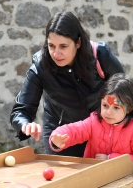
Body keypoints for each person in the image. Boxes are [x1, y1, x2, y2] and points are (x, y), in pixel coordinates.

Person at [10, 11, 124, 157]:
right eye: (51, 46)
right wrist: (25, 125)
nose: (56, 53)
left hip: (100, 133)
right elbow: (21, 110)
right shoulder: (40, 65)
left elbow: (126, 94)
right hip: (61, 135)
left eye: (63, 46)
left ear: (78, 43)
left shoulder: (100, 55)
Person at [49, 73, 133, 180]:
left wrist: (110, 159)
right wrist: (58, 137)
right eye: (105, 105)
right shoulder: (95, 121)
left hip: (125, 182)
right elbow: (76, 130)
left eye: (116, 107)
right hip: (95, 179)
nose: (108, 112)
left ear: (129, 108)